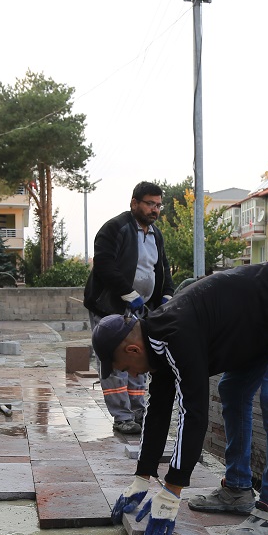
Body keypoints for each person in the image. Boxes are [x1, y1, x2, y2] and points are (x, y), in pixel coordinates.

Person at [91, 263, 268, 535]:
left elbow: (193, 414)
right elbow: (158, 411)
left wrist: (172, 490)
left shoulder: (176, 334)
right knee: (232, 389)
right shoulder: (157, 339)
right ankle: (238, 489)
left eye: (125, 368)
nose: (131, 375)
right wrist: (142, 476)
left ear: (133, 349)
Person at [84, 182, 175, 435]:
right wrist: (130, 294)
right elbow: (105, 266)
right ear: (134, 203)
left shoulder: (156, 234)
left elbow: (164, 269)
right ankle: (122, 417)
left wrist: (166, 295)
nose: (154, 209)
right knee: (115, 363)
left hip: (141, 311)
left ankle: (137, 412)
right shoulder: (115, 228)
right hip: (109, 308)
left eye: (158, 205)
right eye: (149, 203)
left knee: (139, 358)